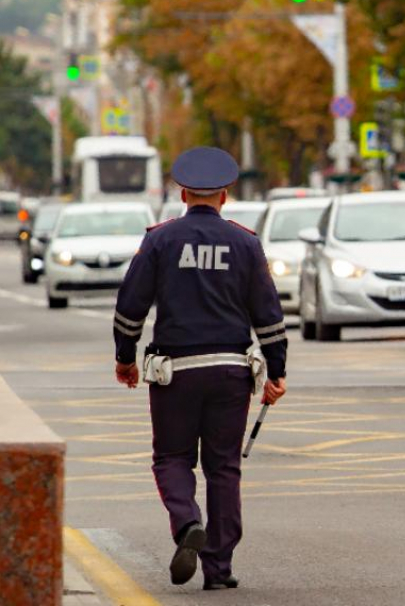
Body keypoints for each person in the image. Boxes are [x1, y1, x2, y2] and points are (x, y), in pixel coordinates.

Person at [112, 146, 287, 591]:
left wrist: (124, 357)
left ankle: (188, 520)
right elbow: (267, 313)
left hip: (176, 371)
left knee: (172, 457)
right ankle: (219, 567)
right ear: (225, 196)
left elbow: (131, 306)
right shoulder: (246, 243)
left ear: (183, 193)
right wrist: (277, 370)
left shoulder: (160, 240)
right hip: (231, 370)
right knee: (223, 467)